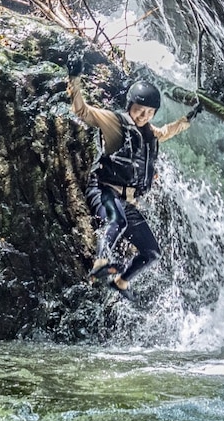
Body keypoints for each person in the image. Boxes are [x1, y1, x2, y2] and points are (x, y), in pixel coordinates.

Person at [67, 54, 201, 298]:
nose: (144, 116)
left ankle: (122, 282)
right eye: (140, 111)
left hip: (126, 202)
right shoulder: (115, 122)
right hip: (104, 191)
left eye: (150, 112)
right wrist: (74, 79)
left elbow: (168, 131)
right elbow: (82, 112)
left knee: (151, 252)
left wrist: (190, 118)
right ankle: (101, 262)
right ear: (130, 106)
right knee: (117, 222)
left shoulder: (150, 132)